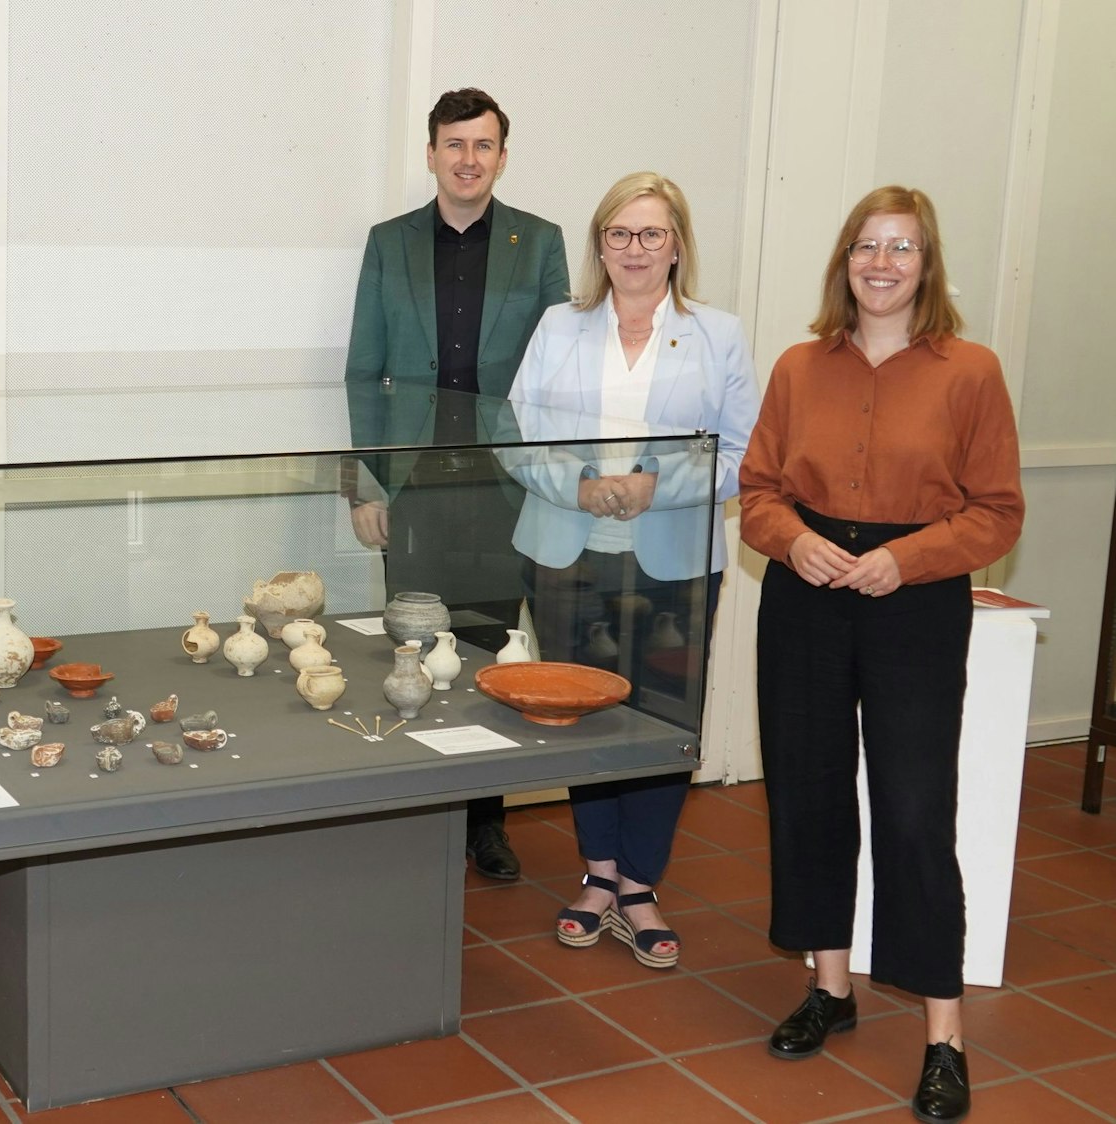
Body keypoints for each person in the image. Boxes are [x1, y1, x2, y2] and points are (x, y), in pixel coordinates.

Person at [740, 186, 1023, 1123]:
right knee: (808, 792)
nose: (881, 263)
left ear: (925, 264)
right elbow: (757, 491)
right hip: (805, 598)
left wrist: (907, 559)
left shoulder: (969, 371)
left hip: (914, 604)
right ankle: (830, 989)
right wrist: (791, 539)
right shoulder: (795, 366)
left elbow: (995, 511)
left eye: (901, 248)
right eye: (866, 246)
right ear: (843, 260)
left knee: (911, 809)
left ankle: (943, 1038)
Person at [502, 172, 757, 969]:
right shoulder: (558, 325)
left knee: (660, 720)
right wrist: (578, 486)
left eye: (650, 234)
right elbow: (516, 437)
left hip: (672, 556)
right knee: (581, 710)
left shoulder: (717, 334)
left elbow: (747, 453)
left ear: (677, 244)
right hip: (568, 551)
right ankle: (598, 873)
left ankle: (639, 882)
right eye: (619, 234)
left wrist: (655, 486)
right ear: (599, 245)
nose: (634, 249)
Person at [342, 87, 570, 880]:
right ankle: (409, 818)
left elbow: (554, 374)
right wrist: (364, 484)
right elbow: (361, 371)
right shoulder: (388, 242)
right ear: (431, 153)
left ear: (501, 157)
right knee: (407, 652)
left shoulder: (538, 242)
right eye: (453, 144)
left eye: (482, 146)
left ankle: (483, 823)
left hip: (499, 490)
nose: (467, 159)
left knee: (483, 659)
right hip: (411, 486)